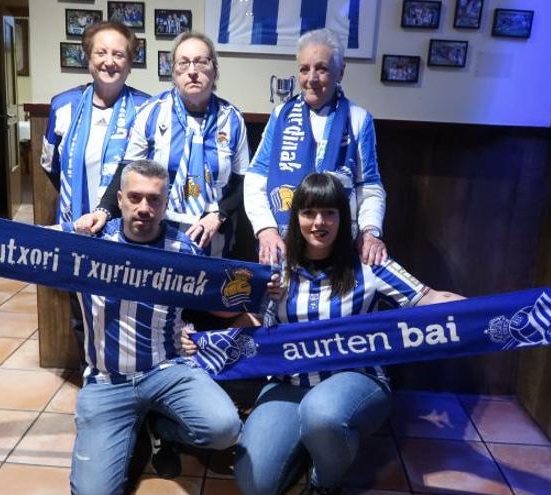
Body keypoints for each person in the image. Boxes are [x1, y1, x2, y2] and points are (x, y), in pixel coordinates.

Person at [188, 173, 463, 495]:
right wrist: (205, 345)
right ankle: (314, 444)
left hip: (354, 379)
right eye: (309, 213)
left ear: (342, 218)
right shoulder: (276, 266)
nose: (319, 222)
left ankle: (324, 482)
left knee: (321, 414)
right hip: (288, 384)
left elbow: (428, 298)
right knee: (255, 485)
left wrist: (491, 313)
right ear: (297, 218)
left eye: (329, 213)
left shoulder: (368, 261)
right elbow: (253, 323)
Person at [69, 160, 242, 495]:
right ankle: (133, 431)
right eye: (135, 197)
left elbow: (217, 303)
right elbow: (22, 249)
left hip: (167, 371)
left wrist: (262, 294)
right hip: (107, 382)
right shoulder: (87, 243)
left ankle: (162, 427)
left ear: (166, 203)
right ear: (118, 199)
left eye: (154, 199)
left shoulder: (184, 250)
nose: (144, 207)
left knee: (225, 428)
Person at [40, 21, 150, 367]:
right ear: (87, 57)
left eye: (119, 54)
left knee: (127, 313)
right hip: (78, 231)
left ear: (130, 62)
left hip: (128, 235)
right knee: (82, 312)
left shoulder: (147, 109)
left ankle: (130, 385)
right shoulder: (63, 105)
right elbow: (50, 165)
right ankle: (94, 377)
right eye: (101, 52)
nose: (109, 61)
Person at [83, 31, 249, 258]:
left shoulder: (232, 119)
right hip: (160, 232)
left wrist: (219, 215)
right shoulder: (152, 112)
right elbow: (127, 171)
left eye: (201, 62)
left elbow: (242, 182)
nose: (192, 71)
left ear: (214, 69)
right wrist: (103, 210)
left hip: (213, 233)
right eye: (183, 63)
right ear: (173, 71)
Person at [244, 28, 387, 267]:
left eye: (321, 68)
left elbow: (369, 186)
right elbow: (256, 178)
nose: (311, 78)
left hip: (338, 243)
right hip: (283, 242)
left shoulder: (359, 119)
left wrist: (371, 232)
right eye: (304, 69)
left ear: (340, 72)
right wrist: (265, 229)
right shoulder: (281, 115)